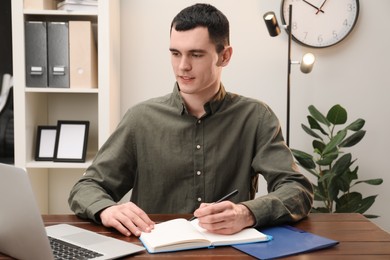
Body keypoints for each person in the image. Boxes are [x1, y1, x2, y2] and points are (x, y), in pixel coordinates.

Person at [68, 3, 313, 237]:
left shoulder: (256, 117)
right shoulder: (140, 119)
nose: (182, 66)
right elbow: (86, 187)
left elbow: (297, 190)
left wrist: (247, 213)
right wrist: (107, 209)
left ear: (225, 56)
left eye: (196, 55)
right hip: (153, 251)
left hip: (230, 253)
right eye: (175, 53)